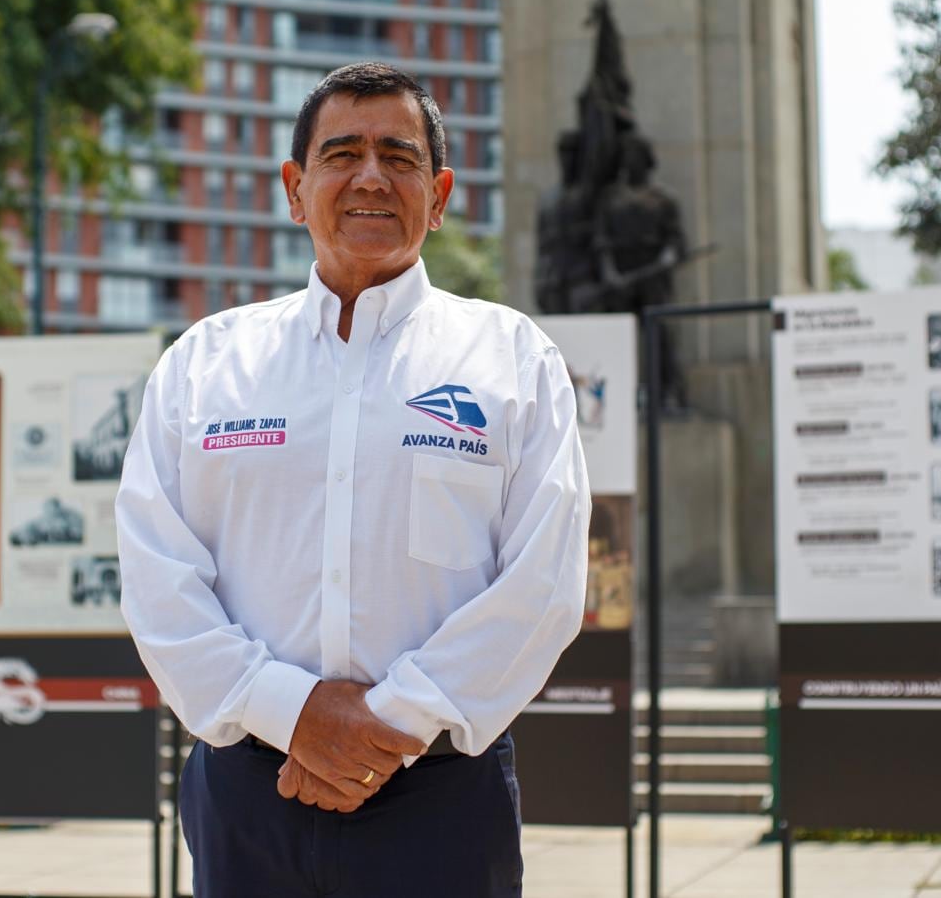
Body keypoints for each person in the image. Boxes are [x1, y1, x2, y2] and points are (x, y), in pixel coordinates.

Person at [116, 63, 590, 897]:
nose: (371, 174)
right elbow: (156, 577)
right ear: (295, 190)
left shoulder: (513, 362)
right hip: (248, 799)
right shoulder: (206, 365)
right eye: (342, 153)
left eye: (398, 157)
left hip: (441, 800)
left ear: (438, 196)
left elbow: (545, 583)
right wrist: (291, 712)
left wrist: (384, 723)